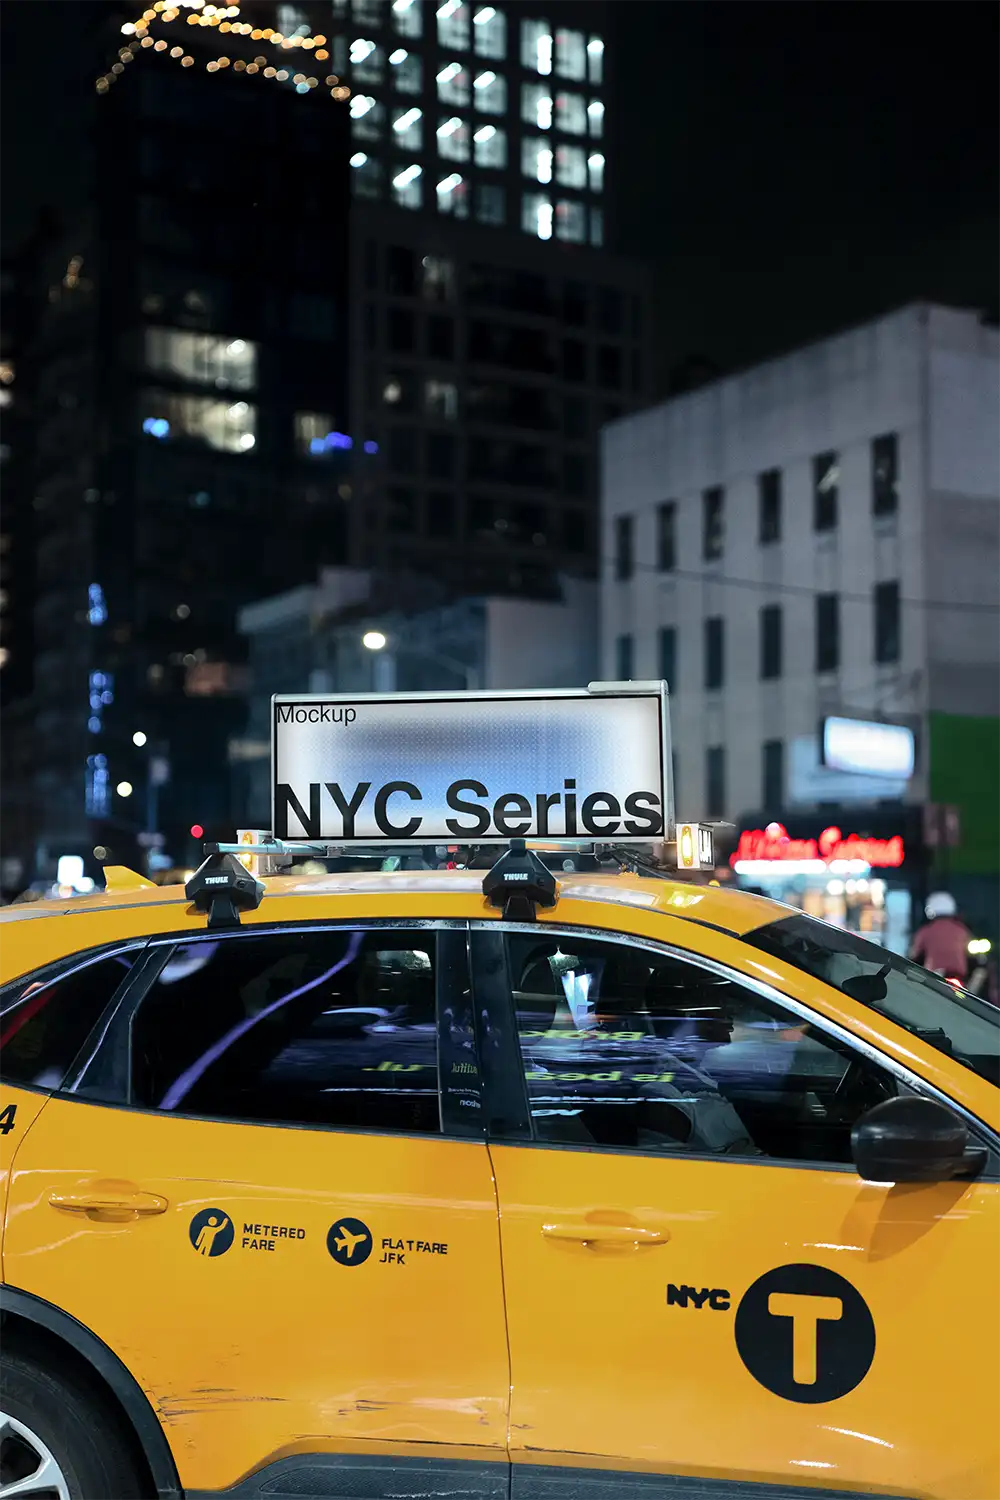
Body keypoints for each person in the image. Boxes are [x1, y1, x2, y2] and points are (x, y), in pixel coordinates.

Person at [910, 892, 973, 983]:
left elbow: (915, 954)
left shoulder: (925, 931)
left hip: (933, 975)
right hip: (959, 976)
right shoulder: (962, 930)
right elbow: (970, 952)